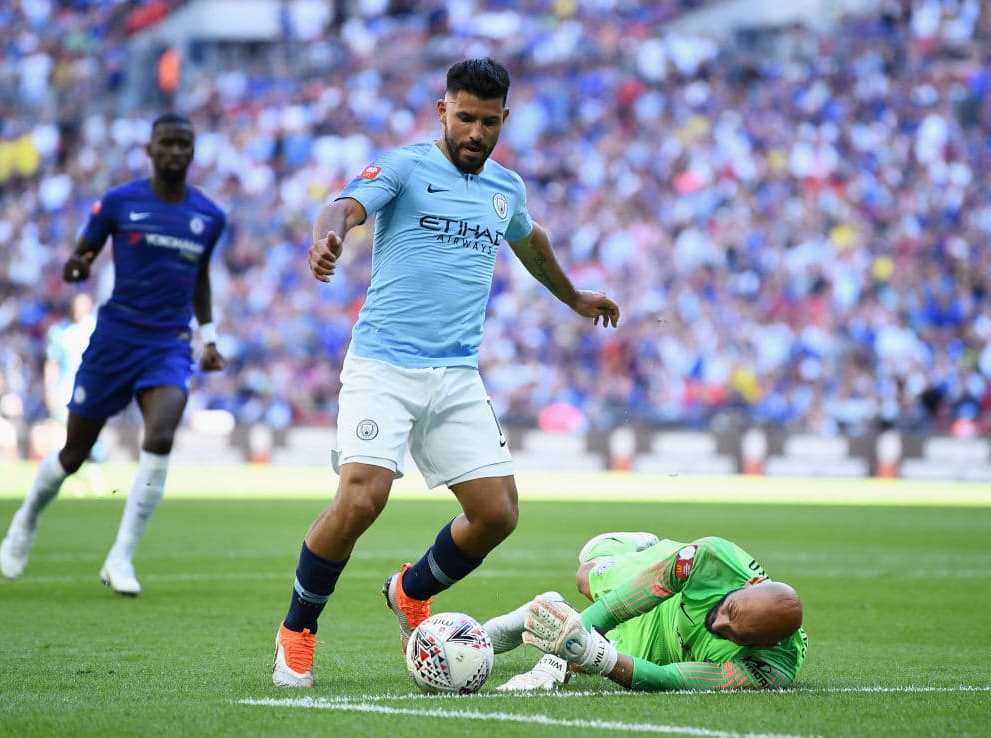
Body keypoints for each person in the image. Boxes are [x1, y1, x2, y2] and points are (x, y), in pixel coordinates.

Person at [271, 57, 620, 688]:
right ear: (442, 111)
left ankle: (411, 590)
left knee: (497, 514)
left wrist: (573, 298)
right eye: (464, 118)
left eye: (488, 122)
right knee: (362, 496)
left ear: (504, 120)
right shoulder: (405, 167)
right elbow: (344, 206)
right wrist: (329, 239)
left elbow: (531, 239)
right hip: (383, 364)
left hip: (456, 375)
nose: (475, 134)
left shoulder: (505, 187)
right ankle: (297, 629)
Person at [0, 112, 227, 596]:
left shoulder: (209, 216)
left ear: (193, 152)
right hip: (115, 339)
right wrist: (77, 266)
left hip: (169, 343)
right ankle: (27, 517)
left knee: (161, 433)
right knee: (74, 453)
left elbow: (198, 278)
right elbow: (82, 256)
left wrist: (208, 337)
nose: (175, 152)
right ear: (149, 149)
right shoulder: (120, 203)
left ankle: (120, 556)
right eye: (167, 143)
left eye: (184, 144)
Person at [484, 531, 808, 692]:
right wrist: (550, 664)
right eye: (730, 607)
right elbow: (620, 606)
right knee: (586, 575)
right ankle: (631, 548)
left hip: (667, 650)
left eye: (731, 631)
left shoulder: (769, 668)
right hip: (666, 592)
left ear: (765, 645)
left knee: (589, 660)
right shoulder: (710, 558)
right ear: (750, 584)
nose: (718, 620)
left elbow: (672, 680)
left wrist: (598, 657)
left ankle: (554, 607)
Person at [41, 292, 106, 494]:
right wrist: (50, 391)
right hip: (66, 388)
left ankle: (92, 470)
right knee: (66, 433)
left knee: (91, 430)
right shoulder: (59, 331)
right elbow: (52, 364)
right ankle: (69, 474)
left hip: (90, 388)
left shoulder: (94, 328)